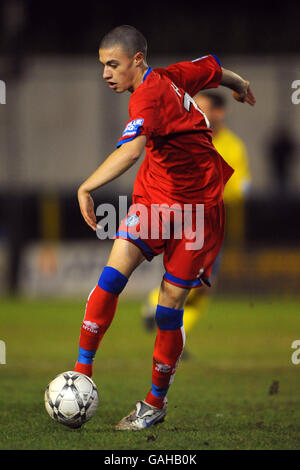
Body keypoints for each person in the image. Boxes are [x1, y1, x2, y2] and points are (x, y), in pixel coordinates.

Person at [73, 25, 256, 431]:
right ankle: (80, 374)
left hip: (197, 212)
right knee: (110, 278)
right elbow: (214, 69)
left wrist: (87, 186)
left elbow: (132, 150)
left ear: (137, 61)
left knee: (167, 309)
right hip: (155, 199)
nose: (106, 73)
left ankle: (154, 403)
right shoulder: (172, 76)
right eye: (102, 65)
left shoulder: (148, 96)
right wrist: (240, 84)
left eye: (112, 64)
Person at [142, 92, 252, 344]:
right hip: (187, 217)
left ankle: (173, 331)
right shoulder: (185, 137)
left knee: (202, 287)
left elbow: (239, 187)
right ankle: (157, 306)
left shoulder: (233, 146)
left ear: (218, 113)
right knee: (195, 280)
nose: (193, 112)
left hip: (214, 221)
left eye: (200, 108)